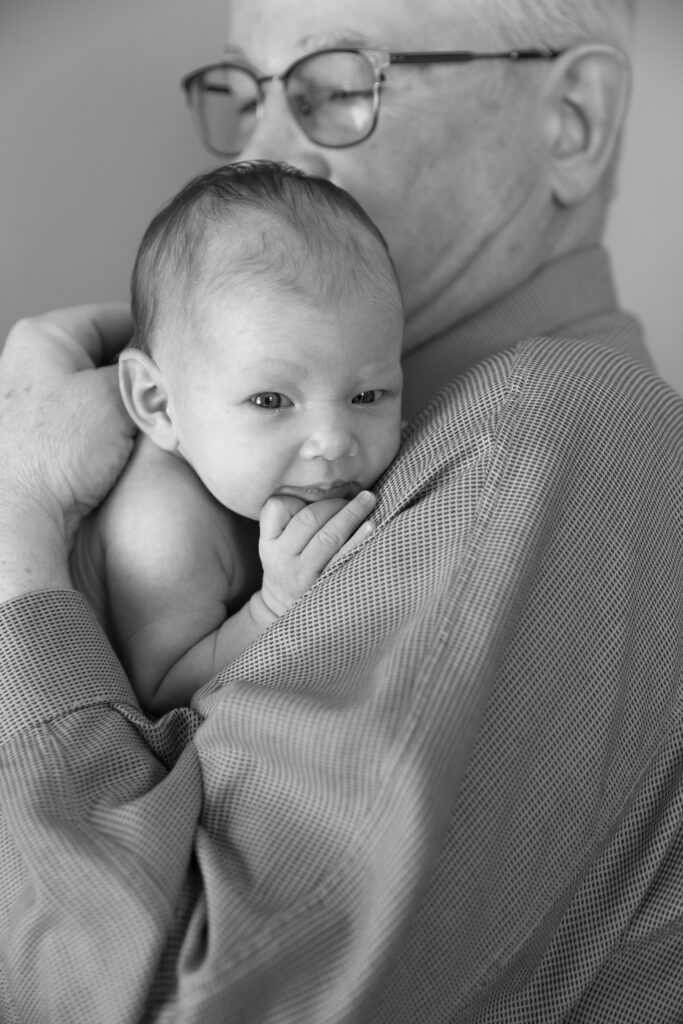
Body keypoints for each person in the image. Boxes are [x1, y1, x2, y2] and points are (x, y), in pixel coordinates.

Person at [2, 0, 683, 1021]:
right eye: (247, 94)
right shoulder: (303, 462)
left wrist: (18, 517)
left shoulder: (541, 428)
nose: (264, 156)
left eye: (336, 88)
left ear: (572, 119)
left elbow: (187, 999)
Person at [70, 161, 403, 715]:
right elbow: (161, 694)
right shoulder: (163, 524)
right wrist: (272, 608)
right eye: (271, 401)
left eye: (367, 397)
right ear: (158, 403)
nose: (333, 441)